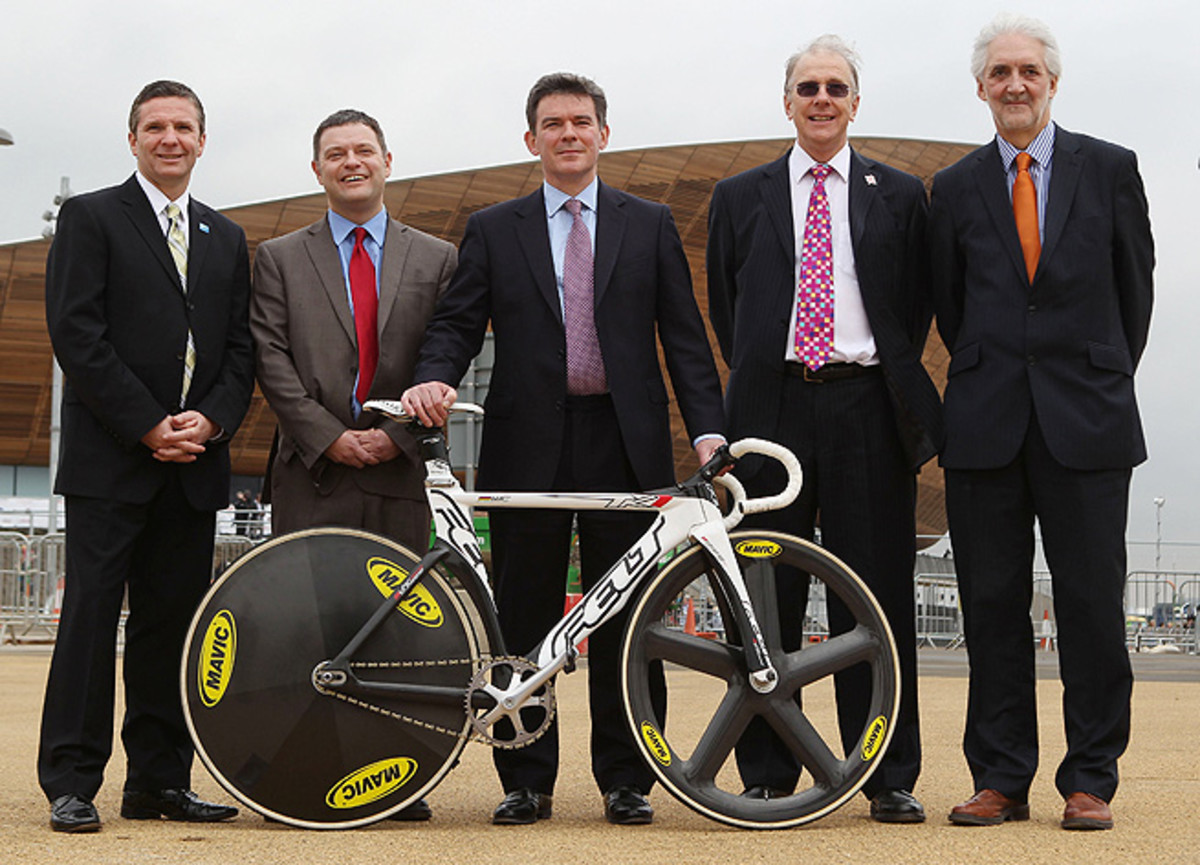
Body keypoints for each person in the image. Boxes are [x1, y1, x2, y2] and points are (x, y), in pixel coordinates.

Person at [402, 72, 725, 826]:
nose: (569, 133)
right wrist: (433, 378)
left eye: (582, 121)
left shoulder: (648, 223)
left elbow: (684, 339)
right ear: (532, 140)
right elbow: (456, 322)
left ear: (604, 135)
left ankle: (627, 777)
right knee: (524, 613)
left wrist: (708, 428)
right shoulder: (494, 226)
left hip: (627, 440)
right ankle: (525, 778)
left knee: (626, 613)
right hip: (528, 441)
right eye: (554, 124)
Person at [706, 35, 942, 824]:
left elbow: (912, 308)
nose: (821, 98)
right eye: (807, 86)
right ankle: (769, 768)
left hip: (866, 406)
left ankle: (885, 771)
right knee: (766, 596)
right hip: (771, 408)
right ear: (787, 101)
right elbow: (727, 307)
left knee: (873, 597)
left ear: (855, 103)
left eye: (836, 87)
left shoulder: (900, 194)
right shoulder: (741, 196)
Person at [929, 14, 1153, 831]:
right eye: (999, 73)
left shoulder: (1111, 168)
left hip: (1086, 422)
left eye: (1028, 71)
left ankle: (1090, 776)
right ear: (981, 87)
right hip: (987, 425)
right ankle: (1000, 775)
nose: (1014, 84)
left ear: (1052, 82)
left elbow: (1135, 296)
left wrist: (1092, 375)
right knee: (990, 604)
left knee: (1091, 603)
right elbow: (952, 308)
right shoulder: (952, 189)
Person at [40, 80, 254, 832]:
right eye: (155, 127)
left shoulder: (225, 237)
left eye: (183, 127)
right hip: (112, 463)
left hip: (195, 464)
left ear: (202, 140)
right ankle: (72, 778)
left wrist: (213, 422)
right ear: (132, 139)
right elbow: (77, 333)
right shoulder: (92, 217)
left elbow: (239, 352)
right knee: (92, 623)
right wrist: (147, 424)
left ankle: (159, 780)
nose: (170, 138)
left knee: (173, 625)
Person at [250, 109, 457, 820]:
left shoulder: (436, 259)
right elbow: (270, 361)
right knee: (309, 633)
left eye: (362, 150)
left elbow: (443, 354)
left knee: (395, 633)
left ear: (387, 160)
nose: (350, 162)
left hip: (400, 473)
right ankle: (306, 777)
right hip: (314, 472)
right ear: (317, 171)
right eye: (335, 154)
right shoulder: (278, 257)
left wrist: (394, 435)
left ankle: (393, 784)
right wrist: (330, 436)